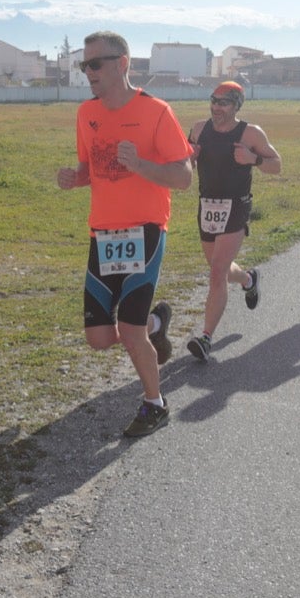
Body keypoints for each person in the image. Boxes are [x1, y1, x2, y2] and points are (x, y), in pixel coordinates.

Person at [56, 30, 191, 437]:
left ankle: (155, 404)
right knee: (99, 338)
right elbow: (91, 169)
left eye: (95, 64)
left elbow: (184, 177)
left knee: (129, 331)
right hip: (103, 234)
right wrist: (74, 178)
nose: (88, 72)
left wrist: (142, 166)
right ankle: (155, 326)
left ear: (123, 64)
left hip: (144, 230)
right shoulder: (86, 114)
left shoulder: (157, 111)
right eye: (84, 65)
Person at [183, 80, 281, 363]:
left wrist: (253, 159)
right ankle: (248, 279)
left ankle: (205, 338)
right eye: (213, 101)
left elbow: (277, 165)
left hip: (236, 206)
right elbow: (185, 167)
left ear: (236, 106)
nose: (216, 107)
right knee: (222, 270)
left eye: (224, 103)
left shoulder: (250, 133)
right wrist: (190, 158)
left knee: (217, 273)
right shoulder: (199, 129)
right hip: (207, 206)